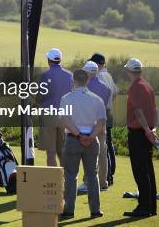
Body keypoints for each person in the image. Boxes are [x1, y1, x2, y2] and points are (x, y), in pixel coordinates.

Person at [59, 69, 106, 220]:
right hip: (91, 140)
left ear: (73, 80)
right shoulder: (97, 99)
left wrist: (79, 135)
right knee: (92, 176)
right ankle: (95, 210)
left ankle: (69, 210)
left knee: (71, 176)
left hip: (73, 139)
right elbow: (101, 122)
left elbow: (66, 120)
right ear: (87, 80)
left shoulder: (66, 98)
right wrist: (91, 137)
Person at [123, 58, 159, 218]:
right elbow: (155, 111)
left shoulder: (135, 87)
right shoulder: (148, 86)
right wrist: (153, 129)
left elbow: (138, 112)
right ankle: (151, 207)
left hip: (139, 133)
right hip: (148, 131)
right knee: (148, 170)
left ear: (129, 71)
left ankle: (144, 207)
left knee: (140, 171)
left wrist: (146, 130)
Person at [77, 60, 111, 193]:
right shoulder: (106, 88)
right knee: (102, 154)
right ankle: (103, 183)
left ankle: (87, 183)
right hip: (102, 123)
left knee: (89, 154)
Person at [37, 48, 73, 166]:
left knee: (51, 152)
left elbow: (40, 96)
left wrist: (35, 104)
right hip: (65, 116)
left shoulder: (44, 76)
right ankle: (66, 180)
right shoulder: (70, 76)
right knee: (62, 151)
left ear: (49, 60)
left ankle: (54, 181)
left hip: (49, 115)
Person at [91, 53, 119, 186]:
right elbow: (115, 92)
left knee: (103, 147)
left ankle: (106, 176)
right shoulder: (108, 75)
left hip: (101, 113)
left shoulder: (100, 76)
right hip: (109, 111)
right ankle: (110, 173)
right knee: (108, 144)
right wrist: (109, 103)